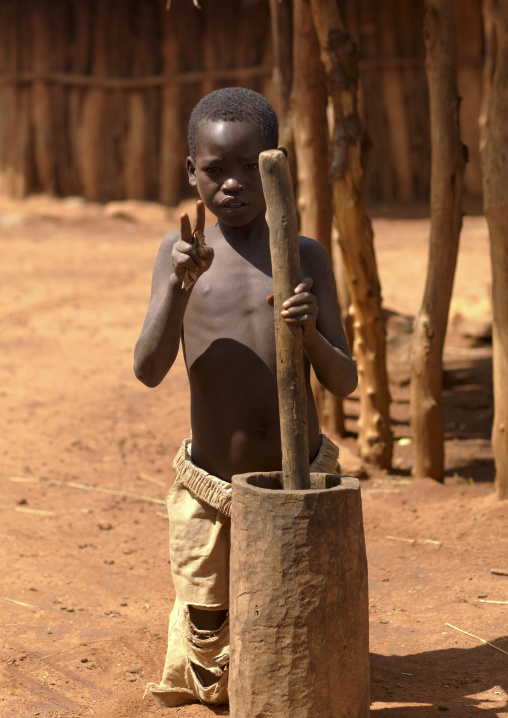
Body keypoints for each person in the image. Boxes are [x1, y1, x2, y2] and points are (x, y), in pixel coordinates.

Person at [134, 87, 357, 707]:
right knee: (215, 664)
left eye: (248, 166)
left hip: (297, 486)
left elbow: (344, 381)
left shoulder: (304, 256)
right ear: (191, 172)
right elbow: (148, 369)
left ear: (276, 165)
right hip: (210, 489)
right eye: (214, 170)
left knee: (295, 640)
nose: (231, 184)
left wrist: (310, 335)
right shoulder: (177, 257)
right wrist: (180, 287)